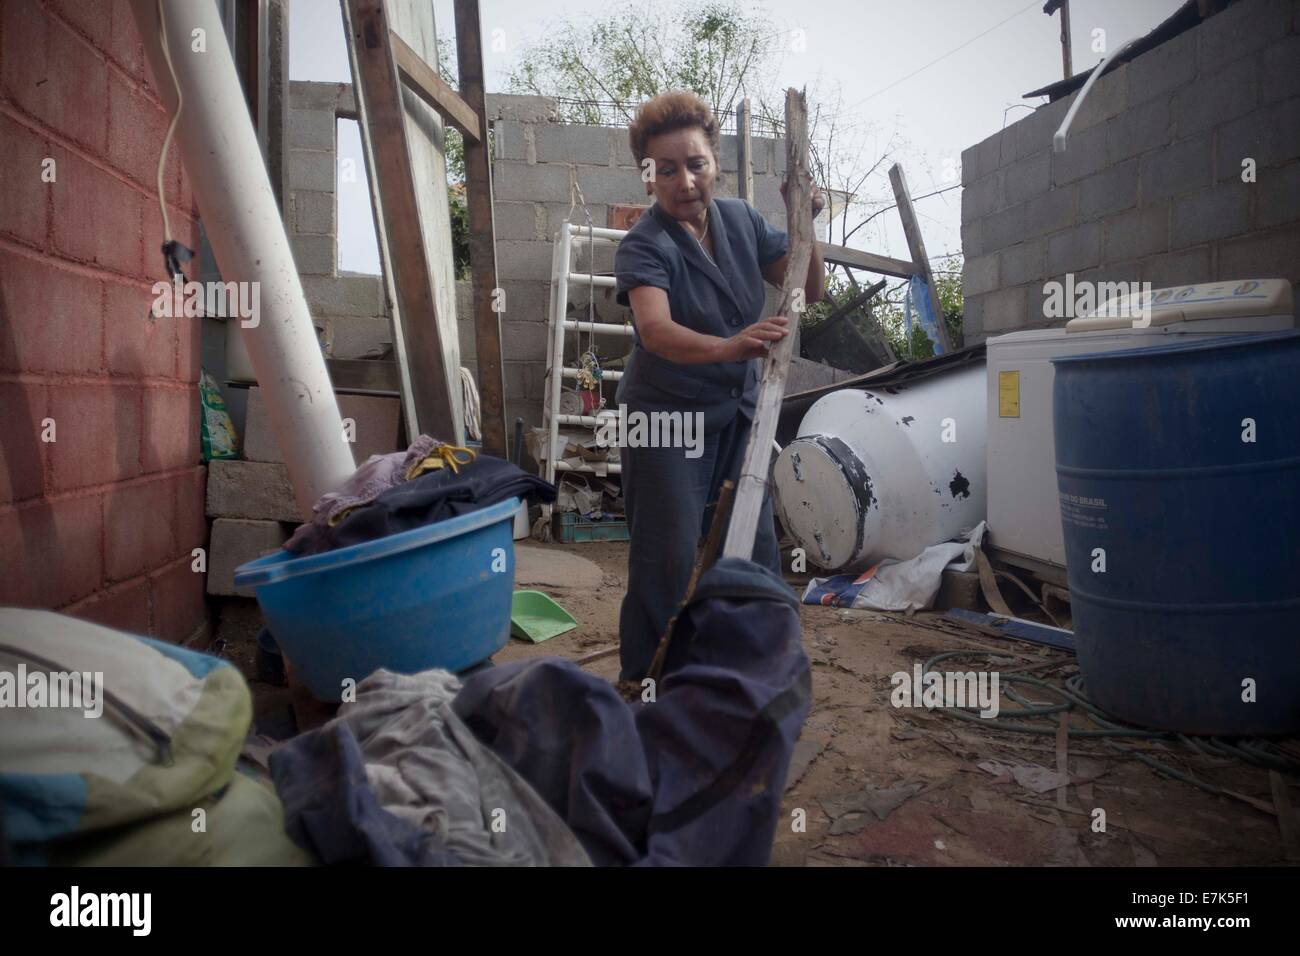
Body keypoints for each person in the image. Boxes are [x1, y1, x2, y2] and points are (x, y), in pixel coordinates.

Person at [612, 89, 825, 681]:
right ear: (648, 178)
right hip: (665, 417)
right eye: (667, 169)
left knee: (751, 550)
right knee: (669, 556)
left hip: (736, 415)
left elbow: (808, 289)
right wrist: (731, 347)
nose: (684, 181)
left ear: (716, 166)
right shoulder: (644, 245)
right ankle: (644, 689)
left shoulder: (741, 221)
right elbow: (655, 330)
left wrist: (805, 219)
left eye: (696, 164)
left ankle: (752, 681)